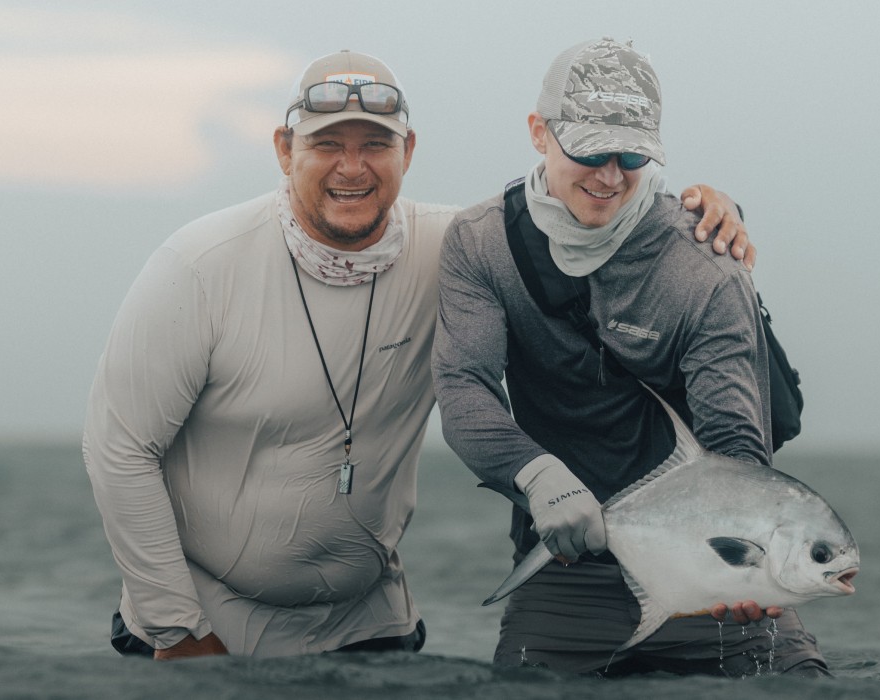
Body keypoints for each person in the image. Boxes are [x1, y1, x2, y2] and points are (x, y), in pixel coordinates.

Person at [83, 48, 754, 661]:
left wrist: (706, 213)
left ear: (408, 150)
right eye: (327, 146)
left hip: (371, 628)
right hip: (204, 629)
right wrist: (178, 631)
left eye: (375, 144)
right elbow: (118, 446)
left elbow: (577, 222)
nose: (353, 167)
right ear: (286, 150)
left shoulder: (454, 247)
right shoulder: (197, 265)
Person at [431, 38, 830, 677]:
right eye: (589, 150)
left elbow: (734, 441)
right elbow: (464, 388)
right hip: (568, 562)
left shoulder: (705, 266)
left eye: (632, 154)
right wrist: (536, 476)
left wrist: (743, 550)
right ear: (539, 133)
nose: (610, 175)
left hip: (707, 572)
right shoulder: (480, 245)